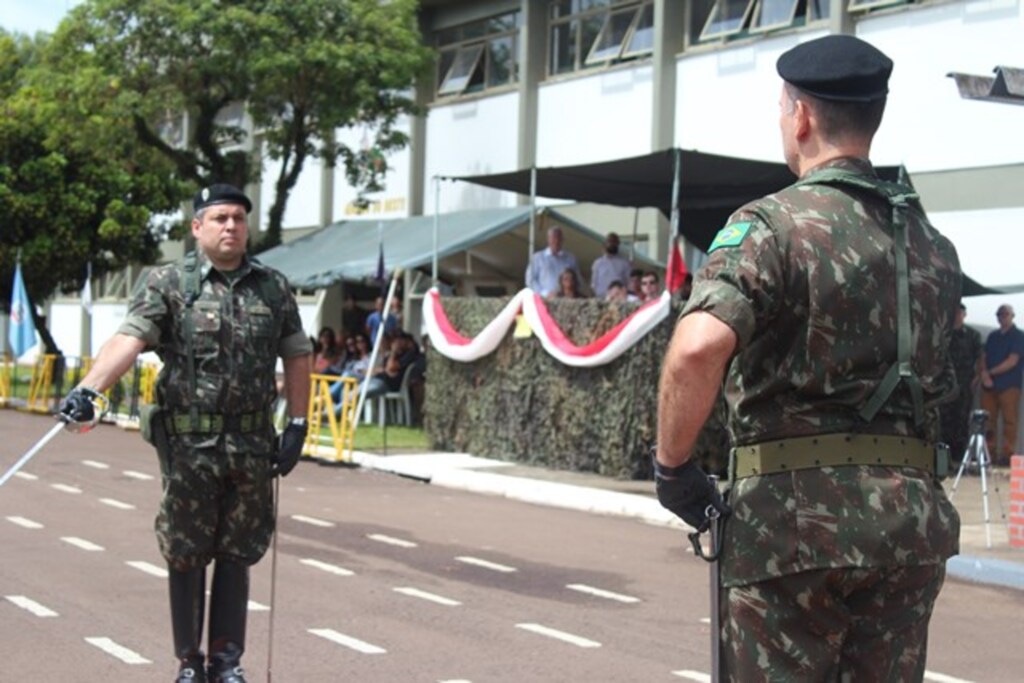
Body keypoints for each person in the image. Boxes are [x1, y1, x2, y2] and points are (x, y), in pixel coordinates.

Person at [653, 36, 960, 681]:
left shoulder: (772, 226)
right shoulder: (932, 245)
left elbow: (698, 347)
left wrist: (673, 468)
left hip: (793, 528)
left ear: (801, 117)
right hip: (908, 525)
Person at [58, 184, 312, 683]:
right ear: (197, 227)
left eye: (238, 218)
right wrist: (89, 388)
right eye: (219, 218)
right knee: (187, 550)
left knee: (239, 551)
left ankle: (227, 661)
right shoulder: (170, 283)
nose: (231, 227)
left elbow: (296, 353)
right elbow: (130, 338)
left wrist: (298, 424)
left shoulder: (273, 287)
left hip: (250, 442)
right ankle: (189, 662)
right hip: (190, 445)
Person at [939, 303, 983, 466]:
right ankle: (944, 459)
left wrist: (978, 377)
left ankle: (959, 459)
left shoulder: (972, 335)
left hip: (964, 385)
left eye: (960, 312)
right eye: (955, 312)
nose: (957, 315)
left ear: (964, 314)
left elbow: (980, 358)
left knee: (962, 421)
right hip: (945, 385)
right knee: (944, 421)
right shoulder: (944, 334)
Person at [981, 304, 1024, 465]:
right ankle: (988, 454)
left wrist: (990, 373)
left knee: (1009, 421)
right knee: (988, 421)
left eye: (1005, 314)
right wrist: (984, 374)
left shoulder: (1018, 336)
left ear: (1012, 316)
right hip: (989, 386)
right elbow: (983, 356)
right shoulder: (992, 336)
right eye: (999, 314)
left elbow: (1012, 361)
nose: (1002, 317)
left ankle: (1007, 455)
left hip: (1009, 385)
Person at [525, 226, 583, 297]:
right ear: (548, 239)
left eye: (558, 238)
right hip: (544, 299)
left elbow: (578, 280)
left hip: (566, 300)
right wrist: (545, 293)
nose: (556, 241)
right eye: (553, 237)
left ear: (562, 240)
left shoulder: (570, 258)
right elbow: (530, 280)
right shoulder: (537, 258)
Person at [590, 232, 632, 298]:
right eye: (609, 241)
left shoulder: (624, 263)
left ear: (618, 244)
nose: (611, 244)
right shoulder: (598, 263)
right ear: (605, 244)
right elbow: (594, 284)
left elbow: (628, 283)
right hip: (601, 299)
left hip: (618, 300)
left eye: (614, 242)